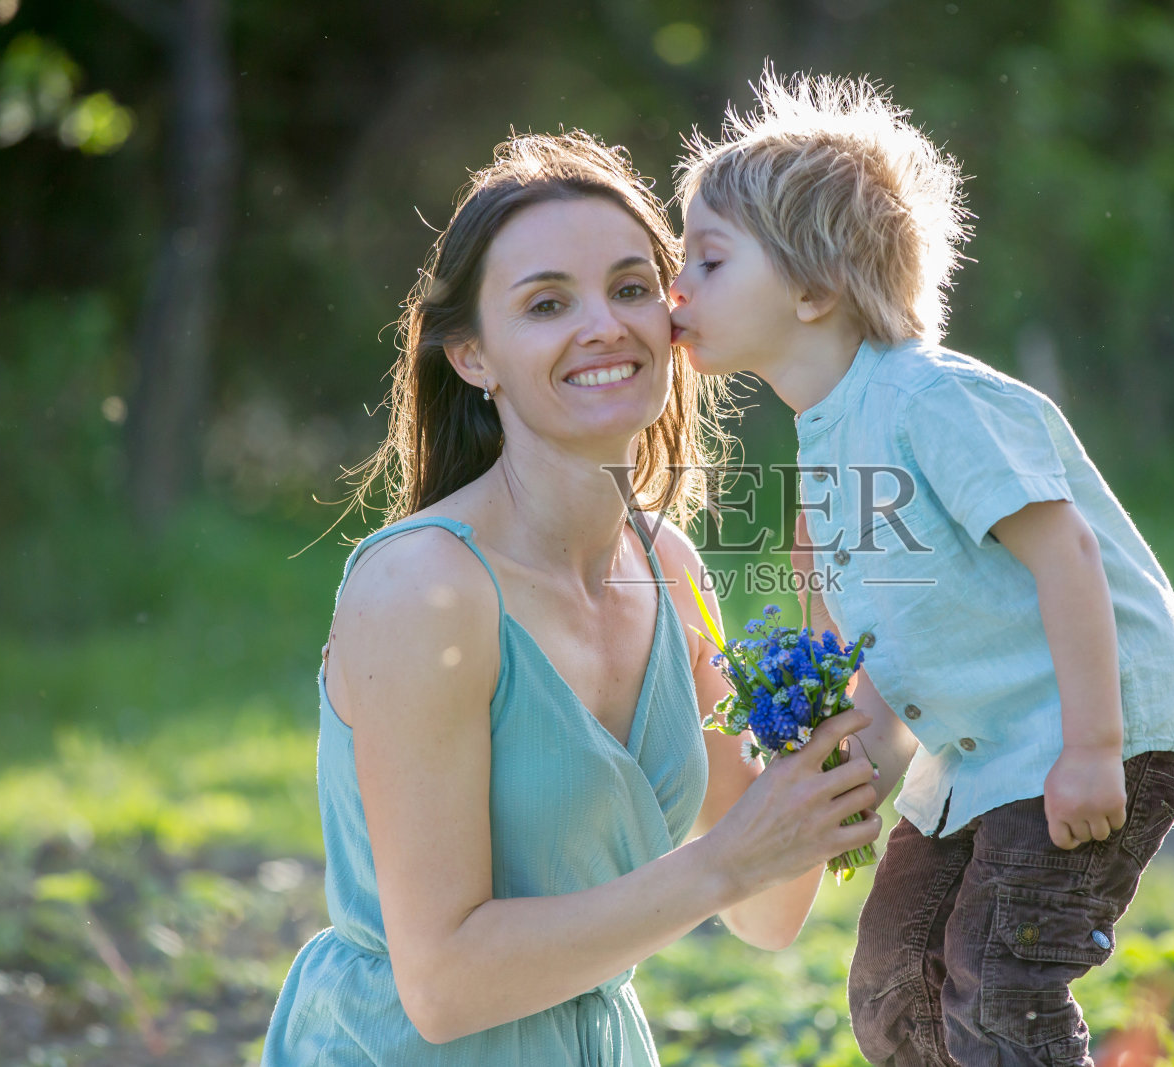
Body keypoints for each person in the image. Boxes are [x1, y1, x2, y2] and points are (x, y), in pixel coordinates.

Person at [260, 131, 882, 1066]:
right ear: (474, 356)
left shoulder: (668, 569)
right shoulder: (423, 587)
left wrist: (839, 655)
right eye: (548, 303)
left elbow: (765, 908)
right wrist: (720, 864)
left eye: (633, 288)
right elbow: (442, 985)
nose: (605, 325)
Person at [668, 72, 1174, 1066]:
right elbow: (855, 637)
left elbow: (1068, 554)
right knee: (894, 977)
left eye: (706, 259)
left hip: (1089, 729)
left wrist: (1094, 746)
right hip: (978, 753)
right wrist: (846, 761)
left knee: (1001, 974)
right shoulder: (824, 439)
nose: (676, 289)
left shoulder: (932, 400)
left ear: (813, 289)